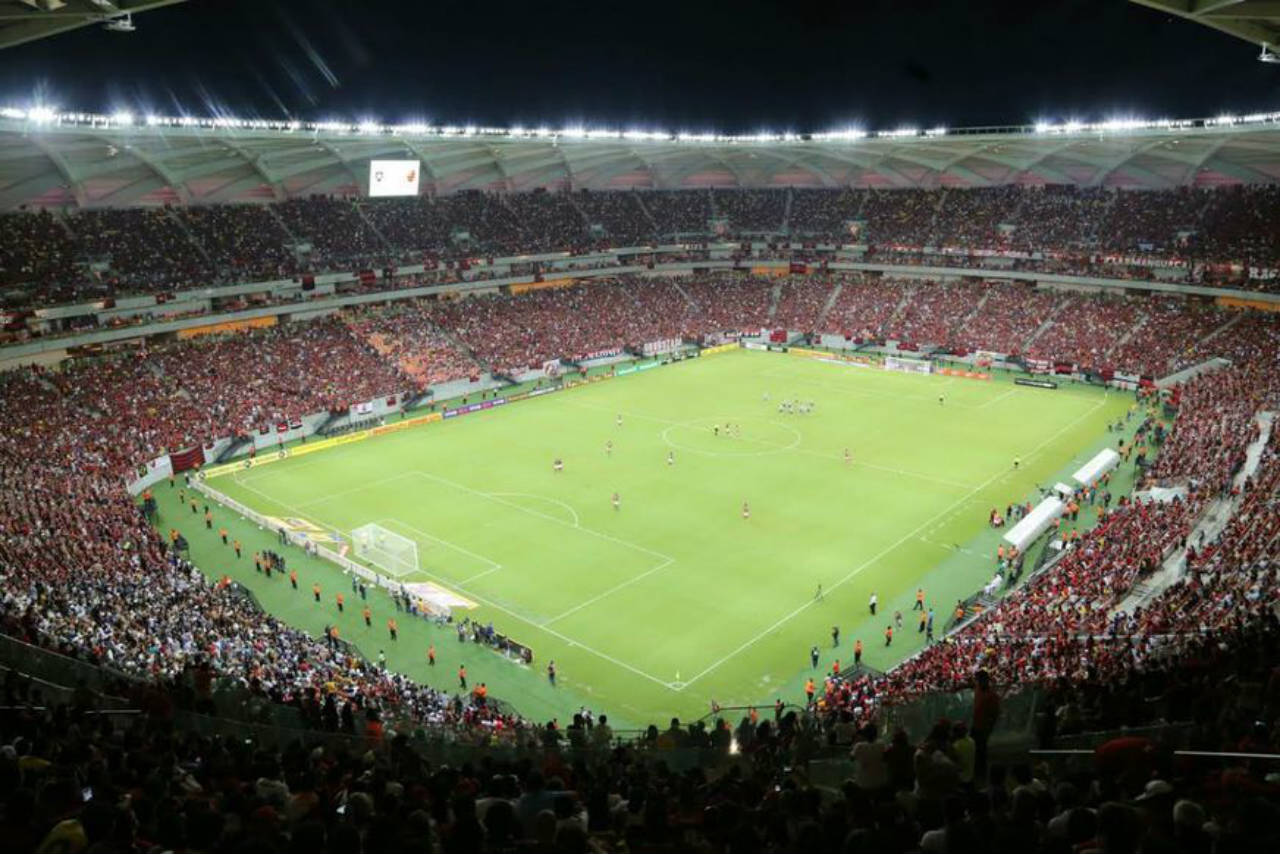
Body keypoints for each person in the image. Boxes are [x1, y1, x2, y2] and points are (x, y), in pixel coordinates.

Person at [971, 670, 1000, 781]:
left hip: (984, 727)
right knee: (975, 749)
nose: (977, 682)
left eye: (978, 680)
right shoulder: (978, 689)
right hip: (975, 725)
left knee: (981, 750)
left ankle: (981, 773)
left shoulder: (992, 695)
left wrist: (989, 728)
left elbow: (995, 714)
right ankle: (976, 770)